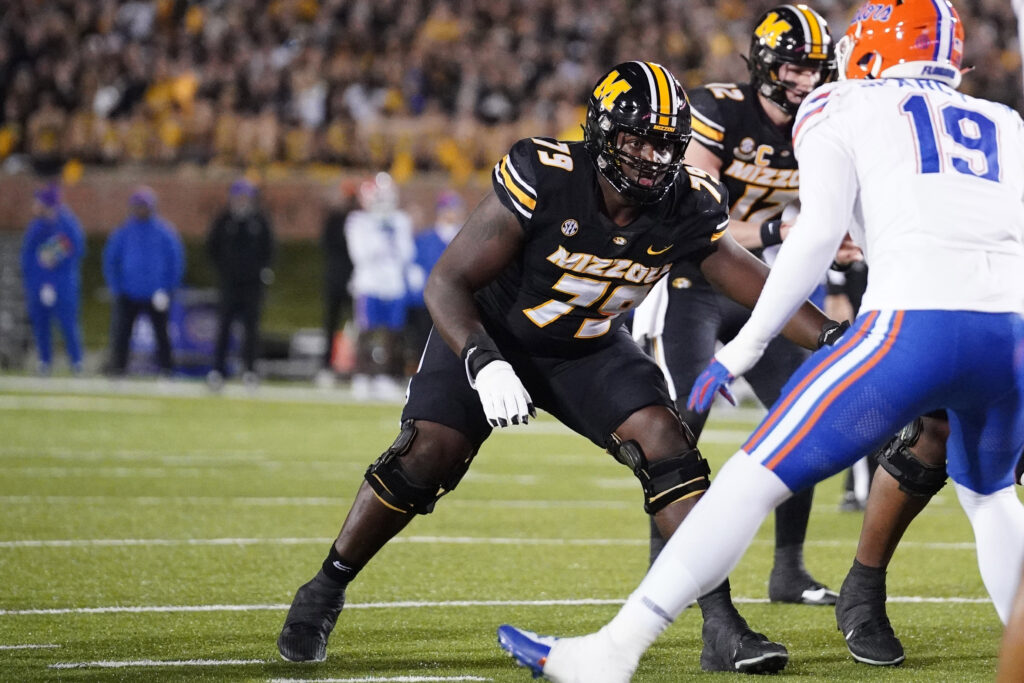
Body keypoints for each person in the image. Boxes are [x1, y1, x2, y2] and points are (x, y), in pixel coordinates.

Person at [497, 3, 1024, 681]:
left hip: (912, 325)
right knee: (988, 499)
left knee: (747, 480)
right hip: (1009, 334)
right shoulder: (1005, 122)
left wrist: (743, 349)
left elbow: (813, 236)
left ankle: (612, 651)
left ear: (875, 44)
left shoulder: (846, 105)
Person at [276, 60, 842, 674]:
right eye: (636, 139)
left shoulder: (688, 202)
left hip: (589, 347)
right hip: (492, 332)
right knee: (427, 454)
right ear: (601, 132)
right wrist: (482, 360)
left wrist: (838, 338)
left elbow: (762, 288)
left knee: (665, 439)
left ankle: (722, 625)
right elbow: (447, 281)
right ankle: (325, 589)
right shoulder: (545, 175)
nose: (651, 157)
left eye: (664, 144)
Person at [630, 4, 848, 606]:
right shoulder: (718, 108)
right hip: (696, 282)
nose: (805, 81)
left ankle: (788, 569)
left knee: (805, 417)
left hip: (764, 289)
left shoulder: (824, 124)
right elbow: (704, 223)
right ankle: (663, 574)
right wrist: (785, 234)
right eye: (795, 67)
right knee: (681, 426)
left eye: (815, 69)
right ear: (764, 64)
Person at [344, 171, 415, 401]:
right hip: (369, 282)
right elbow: (360, 254)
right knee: (366, 331)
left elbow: (406, 253)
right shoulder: (358, 221)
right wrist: (380, 237)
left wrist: (390, 239)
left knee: (392, 333)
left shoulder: (401, 221)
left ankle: (385, 376)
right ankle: (362, 375)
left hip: (393, 282)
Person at [103, 186, 185, 376]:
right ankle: (118, 369)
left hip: (156, 293)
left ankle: (167, 369)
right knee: (122, 333)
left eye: (144, 206)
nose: (141, 210)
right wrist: (117, 287)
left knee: (162, 334)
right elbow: (111, 260)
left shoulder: (164, 232)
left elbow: (176, 261)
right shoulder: (123, 231)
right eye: (138, 206)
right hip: (129, 292)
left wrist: (167, 288)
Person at [205, 178, 275, 389]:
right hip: (229, 283)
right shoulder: (224, 220)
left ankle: (250, 371)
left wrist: (262, 270)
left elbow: (270, 248)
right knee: (224, 327)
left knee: (251, 329)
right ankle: (218, 370)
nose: (242, 200)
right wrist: (223, 270)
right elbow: (212, 247)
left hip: (252, 284)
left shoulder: (259, 220)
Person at [19, 183, 86, 375]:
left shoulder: (68, 224)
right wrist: (38, 284)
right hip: (38, 285)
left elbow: (75, 252)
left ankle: (76, 362)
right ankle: (44, 361)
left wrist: (53, 281)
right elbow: (29, 259)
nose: (34, 205)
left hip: (64, 285)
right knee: (41, 325)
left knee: (68, 324)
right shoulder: (36, 227)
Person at [404, 190, 465, 373]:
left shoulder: (464, 237)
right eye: (450, 209)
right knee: (424, 338)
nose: (453, 213)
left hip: (456, 300)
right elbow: (415, 268)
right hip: (429, 299)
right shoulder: (426, 239)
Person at [316, 181, 357, 388]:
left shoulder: (359, 220)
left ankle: (356, 367)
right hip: (337, 278)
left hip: (356, 279)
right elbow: (328, 247)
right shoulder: (335, 219)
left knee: (359, 326)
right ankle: (326, 365)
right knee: (331, 324)